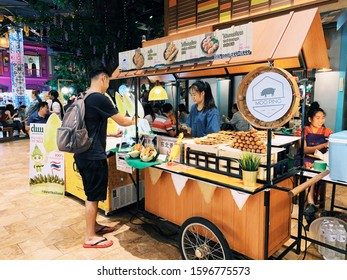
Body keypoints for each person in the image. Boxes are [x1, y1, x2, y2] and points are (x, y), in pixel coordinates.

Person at [74, 68, 135, 249]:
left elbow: (92, 126)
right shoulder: (99, 98)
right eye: (108, 82)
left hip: (82, 154)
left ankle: (95, 226)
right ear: (103, 78)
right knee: (93, 196)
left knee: (91, 193)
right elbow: (123, 121)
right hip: (93, 155)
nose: (108, 86)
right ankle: (90, 237)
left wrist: (112, 135)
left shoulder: (84, 97)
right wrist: (137, 119)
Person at [295, 102, 333, 227]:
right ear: (310, 119)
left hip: (321, 159)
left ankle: (310, 206)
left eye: (323, 118)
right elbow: (304, 149)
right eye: (318, 118)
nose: (321, 120)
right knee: (307, 169)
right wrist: (323, 145)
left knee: (316, 169)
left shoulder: (328, 131)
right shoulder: (303, 130)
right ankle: (310, 203)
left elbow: (331, 148)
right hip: (304, 158)